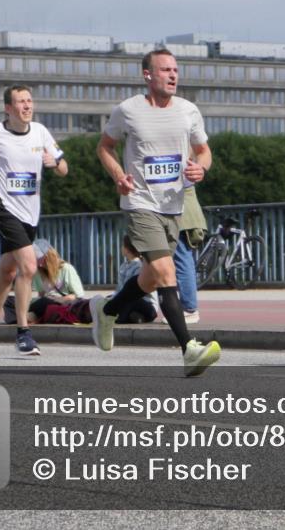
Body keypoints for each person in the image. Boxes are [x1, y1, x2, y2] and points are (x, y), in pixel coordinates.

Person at [93, 48, 221, 376]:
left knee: (150, 278)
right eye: (165, 70)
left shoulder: (188, 111)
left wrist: (201, 170)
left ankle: (107, 310)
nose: (173, 75)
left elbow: (203, 151)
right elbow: (104, 146)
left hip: (173, 206)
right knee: (166, 273)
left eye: (175, 69)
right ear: (147, 75)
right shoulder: (128, 110)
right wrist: (118, 176)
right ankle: (189, 349)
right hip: (140, 203)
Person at [0, 85, 68, 356]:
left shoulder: (41, 132)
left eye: (30, 101)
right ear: (8, 108)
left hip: (30, 213)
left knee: (7, 271)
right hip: (3, 208)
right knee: (28, 267)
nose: (27, 106)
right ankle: (23, 334)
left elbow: (64, 168)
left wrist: (53, 164)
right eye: (21, 102)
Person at [173, 184, 204, 324]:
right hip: (186, 215)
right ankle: (187, 308)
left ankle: (189, 309)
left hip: (179, 215)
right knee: (183, 260)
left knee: (182, 260)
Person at [115, 236, 158, 324]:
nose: (121, 248)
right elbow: (120, 290)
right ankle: (135, 317)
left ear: (127, 249)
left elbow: (134, 292)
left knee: (130, 299)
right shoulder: (123, 266)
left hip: (147, 305)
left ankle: (121, 318)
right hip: (130, 304)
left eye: (123, 245)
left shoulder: (140, 266)